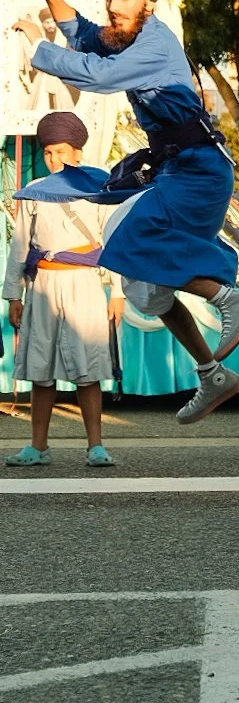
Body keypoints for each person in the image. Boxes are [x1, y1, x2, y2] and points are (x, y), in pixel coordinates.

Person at [16, 0, 239, 425]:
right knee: (148, 288)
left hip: (200, 172)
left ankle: (230, 298)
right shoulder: (128, 38)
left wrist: (39, 48)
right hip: (178, 169)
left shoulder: (156, 43)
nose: (113, 5)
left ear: (150, 0)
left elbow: (99, 76)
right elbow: (87, 38)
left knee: (126, 242)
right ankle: (213, 374)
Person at [3, 111, 123, 467]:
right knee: (41, 370)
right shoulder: (34, 192)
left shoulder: (97, 189)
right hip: (42, 287)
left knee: (88, 371)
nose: (55, 159)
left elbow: (112, 242)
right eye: (49, 152)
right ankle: (37, 446)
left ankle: (95, 446)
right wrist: (13, 294)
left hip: (84, 284)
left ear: (77, 153)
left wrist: (117, 291)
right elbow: (20, 246)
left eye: (61, 151)